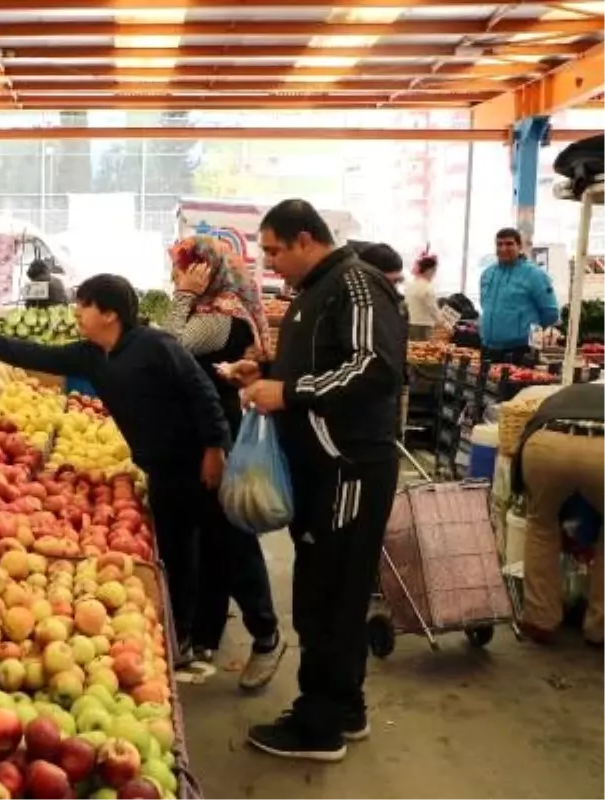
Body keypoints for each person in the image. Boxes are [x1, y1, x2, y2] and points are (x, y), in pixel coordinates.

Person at [0, 274, 233, 677]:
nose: (76, 311)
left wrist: (214, 448)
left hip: (194, 460)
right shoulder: (92, 355)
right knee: (178, 550)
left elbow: (203, 392)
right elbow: (34, 354)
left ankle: (220, 637)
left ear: (109, 314)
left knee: (218, 547)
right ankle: (184, 638)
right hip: (158, 466)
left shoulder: (155, 345)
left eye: (83, 305)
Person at [232, 199, 406, 762]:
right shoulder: (313, 291)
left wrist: (291, 392)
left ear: (306, 239)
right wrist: (269, 374)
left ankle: (318, 727)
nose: (269, 262)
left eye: (274, 250)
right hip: (323, 469)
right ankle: (345, 707)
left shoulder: (356, 283)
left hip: (349, 468)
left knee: (329, 595)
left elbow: (376, 366)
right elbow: (319, 366)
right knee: (332, 590)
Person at [161, 234, 283, 688]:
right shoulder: (211, 310)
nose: (175, 275)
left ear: (205, 271)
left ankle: (266, 633)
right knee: (210, 536)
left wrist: (184, 297)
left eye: (181, 267)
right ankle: (205, 632)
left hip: (219, 436)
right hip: (203, 434)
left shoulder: (220, 315)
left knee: (230, 537)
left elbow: (168, 347)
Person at [511, 383, 605, 645]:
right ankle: (600, 627)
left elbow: (523, 436)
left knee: (541, 524)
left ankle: (540, 619)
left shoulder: (557, 395)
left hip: (547, 444)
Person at [479, 227, 560, 364]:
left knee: (514, 386)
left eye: (509, 244)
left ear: (519, 246)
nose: (504, 248)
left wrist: (528, 333)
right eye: (499, 244)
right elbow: (484, 304)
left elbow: (551, 312)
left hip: (519, 351)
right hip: (488, 348)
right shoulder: (488, 273)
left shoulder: (534, 275)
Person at [404, 253, 444, 341]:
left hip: (410, 323)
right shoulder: (427, 287)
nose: (434, 274)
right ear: (429, 270)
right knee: (423, 351)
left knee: (412, 350)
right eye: (434, 270)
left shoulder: (410, 285)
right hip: (423, 326)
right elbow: (432, 308)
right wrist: (443, 323)